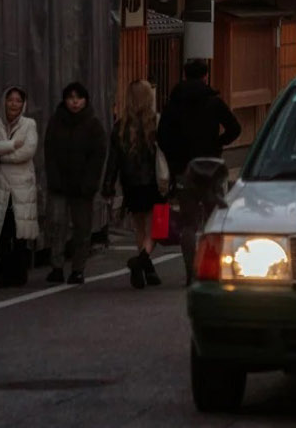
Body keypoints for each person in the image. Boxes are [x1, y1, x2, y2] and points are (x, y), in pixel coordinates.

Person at [157, 58, 241, 285]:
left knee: (188, 223)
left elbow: (162, 136)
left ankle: (190, 273)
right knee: (213, 220)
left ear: (184, 76)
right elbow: (235, 128)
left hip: (185, 168)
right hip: (211, 166)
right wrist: (218, 144)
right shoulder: (213, 102)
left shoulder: (174, 104)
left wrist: (175, 159)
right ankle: (213, 270)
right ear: (205, 76)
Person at [103, 79, 166, 289]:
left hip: (130, 184)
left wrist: (109, 184)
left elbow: (113, 161)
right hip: (155, 183)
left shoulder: (120, 127)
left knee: (140, 227)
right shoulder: (157, 123)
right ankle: (141, 262)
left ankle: (146, 266)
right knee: (158, 227)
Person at [43, 81, 106, 286]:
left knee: (82, 228)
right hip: (59, 184)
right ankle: (57, 266)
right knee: (57, 224)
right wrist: (53, 179)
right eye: (71, 98)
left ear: (85, 100)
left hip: (82, 187)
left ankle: (78, 268)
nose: (75, 102)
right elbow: (49, 153)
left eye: (78, 98)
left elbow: (97, 157)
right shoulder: (56, 122)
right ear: (65, 100)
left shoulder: (93, 124)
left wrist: (90, 184)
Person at [0, 86, 39, 287]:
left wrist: (1, 153)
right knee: (1, 232)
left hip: (21, 187)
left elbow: (28, 151)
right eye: (10, 100)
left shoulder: (29, 124)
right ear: (4, 101)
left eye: (18, 100)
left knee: (20, 231)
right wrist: (12, 145)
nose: (14, 104)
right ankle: (5, 272)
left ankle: (19, 272)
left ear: (23, 104)